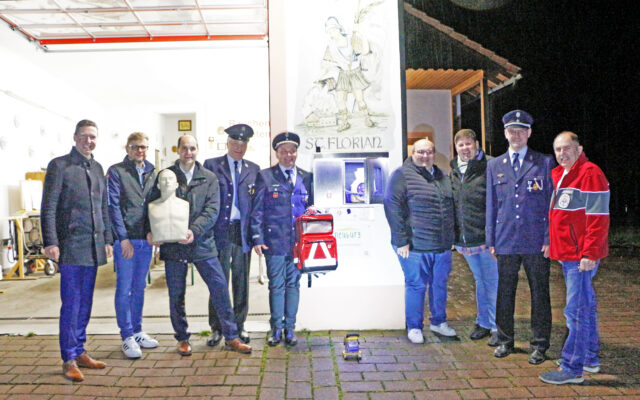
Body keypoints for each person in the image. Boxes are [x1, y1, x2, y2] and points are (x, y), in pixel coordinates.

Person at [146, 135, 251, 356]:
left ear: (197, 150)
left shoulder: (209, 178)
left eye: (192, 148)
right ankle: (182, 338)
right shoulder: (166, 176)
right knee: (176, 294)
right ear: (178, 150)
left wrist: (194, 231)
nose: (188, 152)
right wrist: (151, 231)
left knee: (220, 288)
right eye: (184, 148)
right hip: (174, 246)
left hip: (202, 243)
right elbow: (150, 206)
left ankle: (231, 336)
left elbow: (213, 210)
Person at [41, 119, 113, 382]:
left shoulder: (96, 167)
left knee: (86, 302)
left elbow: (103, 207)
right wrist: (51, 241)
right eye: (84, 136)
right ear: (75, 137)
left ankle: (80, 350)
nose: (88, 141)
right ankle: (68, 358)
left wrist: (107, 238)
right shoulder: (60, 166)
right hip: (70, 246)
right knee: (71, 303)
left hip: (93, 246)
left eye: (92, 137)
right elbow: (48, 207)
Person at [539, 132, 609, 385]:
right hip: (567, 253)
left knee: (575, 311)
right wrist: (551, 242)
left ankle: (572, 367)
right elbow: (559, 214)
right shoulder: (560, 174)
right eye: (558, 149)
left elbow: (598, 217)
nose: (562, 154)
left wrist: (590, 253)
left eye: (567, 148)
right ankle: (589, 358)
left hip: (581, 256)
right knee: (585, 308)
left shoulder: (590, 173)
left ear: (579, 149)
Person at [486, 110, 554, 364]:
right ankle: (505, 340)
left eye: (521, 130)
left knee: (540, 292)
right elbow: (491, 205)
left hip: (536, 240)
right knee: (504, 292)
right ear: (505, 133)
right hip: (505, 240)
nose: (516, 135)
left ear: (529, 133)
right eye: (512, 131)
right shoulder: (495, 165)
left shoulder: (544, 162)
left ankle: (539, 344)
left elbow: (551, 204)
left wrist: (549, 237)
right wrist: (490, 239)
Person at [384, 138, 457, 344]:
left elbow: (450, 209)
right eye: (420, 152)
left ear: (434, 154)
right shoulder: (401, 175)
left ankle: (438, 322)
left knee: (439, 284)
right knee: (416, 285)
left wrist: (451, 237)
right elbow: (392, 207)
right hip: (414, 246)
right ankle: (414, 326)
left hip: (441, 245)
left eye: (429, 152)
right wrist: (401, 241)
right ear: (412, 153)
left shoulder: (442, 176)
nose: (425, 156)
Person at [250, 132, 313, 347]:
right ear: (276, 153)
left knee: (293, 285)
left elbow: (311, 208)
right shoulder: (265, 176)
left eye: (292, 151)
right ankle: (275, 328)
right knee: (276, 286)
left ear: (297, 152)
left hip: (299, 243)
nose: (289, 155)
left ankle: (290, 329)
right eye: (284, 151)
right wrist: (257, 237)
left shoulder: (306, 176)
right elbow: (257, 209)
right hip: (274, 241)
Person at [203, 124, 260, 346]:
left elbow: (256, 207)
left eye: (243, 143)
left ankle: (238, 326)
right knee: (218, 280)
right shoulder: (211, 165)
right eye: (235, 143)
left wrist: (256, 235)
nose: (239, 147)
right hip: (219, 231)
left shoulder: (253, 169)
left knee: (241, 280)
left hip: (241, 231)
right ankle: (217, 327)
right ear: (227, 143)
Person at [107, 132, 158, 359]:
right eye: (136, 147)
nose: (140, 151)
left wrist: (151, 231)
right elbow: (113, 207)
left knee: (139, 287)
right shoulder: (117, 171)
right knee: (124, 288)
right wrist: (123, 237)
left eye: (144, 147)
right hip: (126, 241)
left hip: (145, 240)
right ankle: (126, 335)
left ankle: (137, 331)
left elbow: (154, 205)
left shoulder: (152, 171)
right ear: (127, 148)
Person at [449, 129, 499, 346]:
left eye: (468, 144)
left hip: (487, 238)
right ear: (456, 148)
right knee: (480, 281)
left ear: (476, 144)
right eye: (461, 145)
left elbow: (498, 202)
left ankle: (499, 326)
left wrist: (496, 236)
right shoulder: (453, 171)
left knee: (493, 282)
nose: (465, 148)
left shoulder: (490, 166)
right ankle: (484, 322)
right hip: (466, 238)